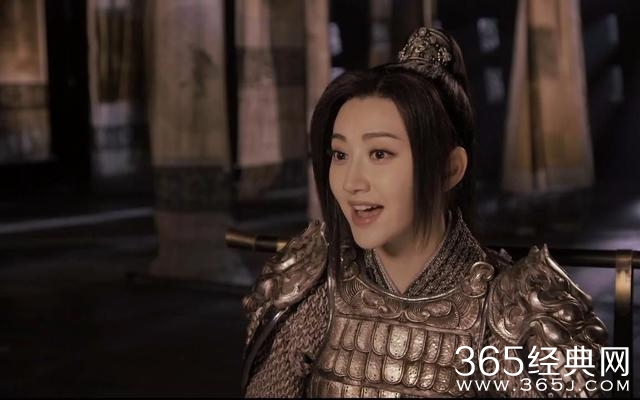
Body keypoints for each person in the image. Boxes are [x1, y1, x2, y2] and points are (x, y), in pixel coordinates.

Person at [240, 27, 608, 398]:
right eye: (340, 154)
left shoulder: (518, 315)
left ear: (449, 169)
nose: (351, 182)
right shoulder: (311, 290)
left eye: (380, 154)